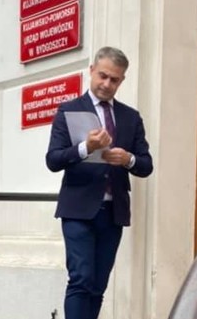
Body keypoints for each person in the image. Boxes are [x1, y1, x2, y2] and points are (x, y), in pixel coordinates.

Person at [46, 46, 153, 319]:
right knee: (81, 279)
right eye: (103, 76)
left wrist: (128, 159)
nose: (106, 84)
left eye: (114, 79)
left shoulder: (130, 117)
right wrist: (86, 147)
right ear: (91, 70)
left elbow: (146, 165)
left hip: (113, 212)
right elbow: (53, 160)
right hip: (78, 210)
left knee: (98, 285)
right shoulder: (69, 110)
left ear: (122, 80)